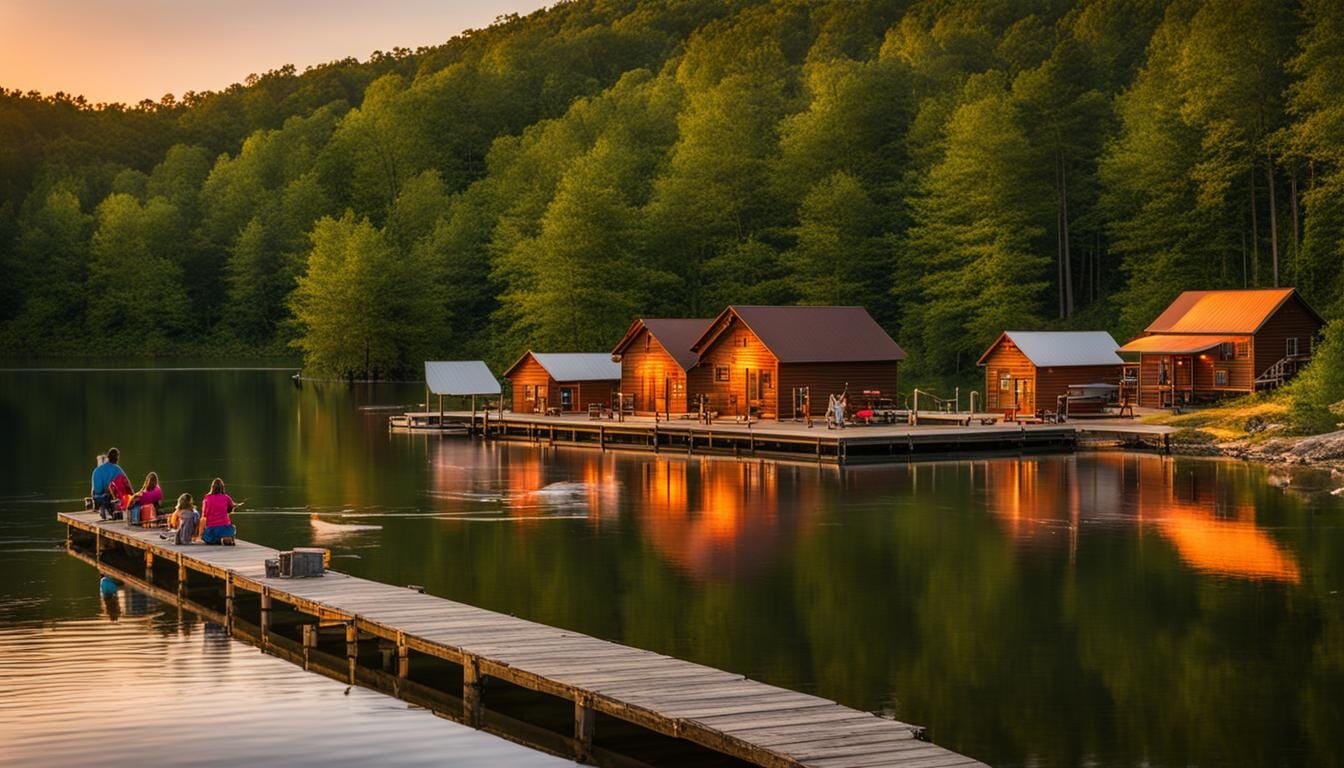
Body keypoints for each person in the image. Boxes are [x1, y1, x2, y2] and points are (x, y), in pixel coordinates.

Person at [91, 447, 130, 520]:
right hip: (109, 497)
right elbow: (126, 484)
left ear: (108, 457)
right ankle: (110, 509)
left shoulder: (97, 469)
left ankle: (103, 509)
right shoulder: (117, 469)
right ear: (117, 458)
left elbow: (96, 489)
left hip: (97, 497)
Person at [200, 478, 237, 546]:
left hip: (211, 529)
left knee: (208, 538)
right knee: (233, 527)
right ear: (222, 487)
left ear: (212, 487)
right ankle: (226, 538)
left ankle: (215, 539)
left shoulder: (207, 498)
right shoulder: (226, 497)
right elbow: (231, 508)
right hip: (224, 527)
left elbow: (204, 516)